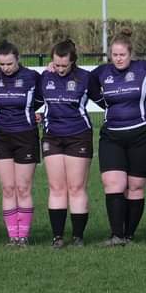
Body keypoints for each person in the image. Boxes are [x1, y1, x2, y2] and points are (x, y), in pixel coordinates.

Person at [90, 29, 146, 246]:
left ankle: (129, 235)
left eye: (122, 55)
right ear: (110, 55)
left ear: (131, 54)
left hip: (144, 135)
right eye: (115, 55)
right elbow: (86, 82)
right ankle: (116, 235)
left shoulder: (145, 68)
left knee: (135, 186)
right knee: (113, 183)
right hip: (112, 136)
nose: (119, 59)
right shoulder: (101, 72)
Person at [39, 39, 98, 249]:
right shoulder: (45, 77)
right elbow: (36, 101)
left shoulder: (85, 78)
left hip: (78, 136)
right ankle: (57, 237)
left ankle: (78, 237)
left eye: (64, 65)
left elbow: (103, 100)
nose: (60, 69)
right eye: (57, 65)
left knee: (76, 187)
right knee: (56, 187)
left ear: (73, 61)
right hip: (52, 137)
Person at [0, 41, 42, 247]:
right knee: (7, 188)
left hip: (26, 136)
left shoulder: (32, 77)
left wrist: (35, 114)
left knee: (23, 188)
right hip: (2, 136)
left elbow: (43, 97)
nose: (5, 68)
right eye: (2, 64)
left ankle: (24, 236)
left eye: (9, 64)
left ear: (18, 59)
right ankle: (13, 236)